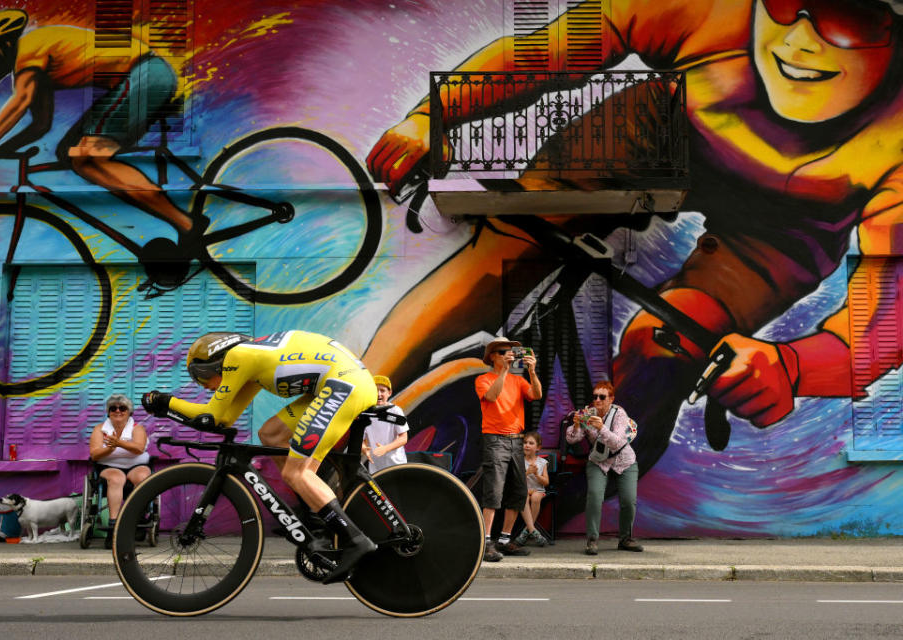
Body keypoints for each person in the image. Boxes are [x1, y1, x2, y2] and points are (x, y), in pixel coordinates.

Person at [363, 0, 903, 483]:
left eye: (845, 19)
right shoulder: (700, 8)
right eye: (785, 5)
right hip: (658, 130)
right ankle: (343, 407)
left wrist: (793, 366)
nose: (795, 41)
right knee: (503, 251)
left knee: (663, 343)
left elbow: (883, 318)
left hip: (783, 227)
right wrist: (431, 119)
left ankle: (579, 484)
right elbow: (547, 53)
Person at [140, 330, 378, 584]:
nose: (204, 385)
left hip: (344, 385)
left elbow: (210, 413)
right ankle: (314, 516)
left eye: (201, 376)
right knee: (272, 434)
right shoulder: (251, 360)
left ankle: (355, 539)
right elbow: (223, 419)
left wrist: (166, 402)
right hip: (341, 382)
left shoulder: (238, 356)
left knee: (297, 472)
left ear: (214, 362)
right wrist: (172, 410)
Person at [0, 9, 204, 247]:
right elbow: (40, 127)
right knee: (68, 152)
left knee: (87, 157)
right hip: (140, 78)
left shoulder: (29, 49)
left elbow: (20, 102)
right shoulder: (33, 69)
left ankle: (186, 224)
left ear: (2, 47)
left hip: (147, 75)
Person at [476, 337, 542, 562]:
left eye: (510, 351)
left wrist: (532, 372)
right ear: (493, 356)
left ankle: (504, 540)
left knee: (518, 491)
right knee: (494, 492)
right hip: (495, 440)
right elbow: (492, 396)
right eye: (503, 351)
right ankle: (486, 543)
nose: (508, 355)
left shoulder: (518, 380)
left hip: (516, 440)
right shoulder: (483, 379)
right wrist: (503, 372)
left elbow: (537, 395)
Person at [565, 381, 642, 555]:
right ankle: (592, 540)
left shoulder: (619, 413)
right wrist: (577, 424)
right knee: (594, 497)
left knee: (629, 501)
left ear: (611, 398)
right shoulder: (588, 414)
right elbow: (572, 439)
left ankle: (625, 539)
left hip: (624, 460)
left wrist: (601, 428)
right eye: (595, 397)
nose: (597, 400)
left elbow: (617, 441)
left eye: (602, 397)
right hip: (598, 461)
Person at [88, 393, 151, 548]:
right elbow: (95, 454)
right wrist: (110, 449)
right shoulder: (100, 429)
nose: (118, 411)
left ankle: (137, 519)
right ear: (108, 412)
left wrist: (119, 443)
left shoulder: (137, 428)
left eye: (122, 408)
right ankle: (113, 526)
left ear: (129, 412)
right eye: (113, 408)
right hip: (108, 466)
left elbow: (139, 448)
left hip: (135, 465)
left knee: (143, 477)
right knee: (116, 478)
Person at [361, 375, 409, 473]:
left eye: (382, 390)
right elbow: (362, 439)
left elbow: (403, 438)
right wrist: (365, 449)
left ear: (389, 393)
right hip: (376, 468)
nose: (378, 394)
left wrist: (385, 449)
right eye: (375, 391)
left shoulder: (395, 411)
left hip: (396, 464)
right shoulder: (366, 413)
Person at [514, 430, 549, 547]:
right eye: (525, 442)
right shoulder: (519, 461)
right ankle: (532, 531)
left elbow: (546, 482)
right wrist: (527, 472)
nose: (527, 445)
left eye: (531, 443)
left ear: (538, 447)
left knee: (535, 498)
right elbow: (517, 481)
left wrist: (536, 475)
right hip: (524, 490)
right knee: (523, 497)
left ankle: (526, 531)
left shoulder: (542, 462)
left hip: (538, 490)